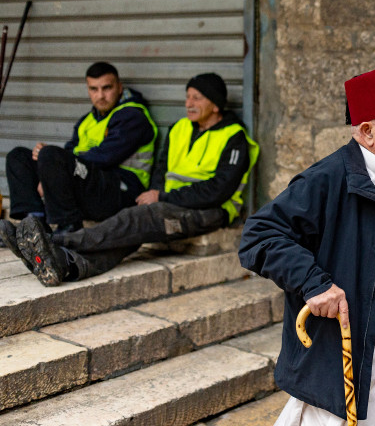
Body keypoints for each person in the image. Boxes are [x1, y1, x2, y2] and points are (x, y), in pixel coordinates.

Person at [238, 64, 375, 426]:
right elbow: (259, 236)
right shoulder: (328, 178)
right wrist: (315, 284)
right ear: (367, 131)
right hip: (352, 348)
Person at [0, 73, 259, 287]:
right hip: (171, 203)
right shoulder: (180, 128)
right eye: (187, 96)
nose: (188, 103)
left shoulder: (234, 137)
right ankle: (66, 264)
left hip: (210, 211)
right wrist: (157, 192)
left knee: (136, 219)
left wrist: (162, 196)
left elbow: (219, 190)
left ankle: (52, 241)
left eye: (197, 98)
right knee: (129, 235)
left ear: (216, 104)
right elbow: (160, 170)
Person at [4, 61, 157, 233]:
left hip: (121, 191)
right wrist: (48, 165)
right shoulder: (87, 120)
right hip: (90, 184)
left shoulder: (133, 116)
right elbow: (69, 152)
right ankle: (34, 224)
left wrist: (53, 164)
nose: (100, 95)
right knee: (19, 156)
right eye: (94, 89)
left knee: (51, 156)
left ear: (120, 88)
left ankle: (68, 227)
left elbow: (105, 157)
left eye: (107, 88)